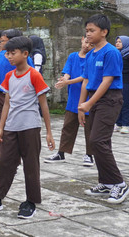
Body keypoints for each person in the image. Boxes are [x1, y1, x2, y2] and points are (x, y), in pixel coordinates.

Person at [0, 36, 54, 219]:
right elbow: (6, 104)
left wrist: (49, 132)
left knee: (31, 165)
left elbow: (43, 105)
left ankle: (30, 202)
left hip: (30, 127)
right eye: (7, 53)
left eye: (13, 53)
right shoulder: (9, 76)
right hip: (11, 127)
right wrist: (0, 127)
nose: (9, 57)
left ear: (25, 54)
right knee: (4, 163)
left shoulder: (34, 75)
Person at [78, 14, 128, 203]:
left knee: (98, 140)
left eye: (92, 31)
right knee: (98, 142)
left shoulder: (111, 52)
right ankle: (106, 182)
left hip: (109, 99)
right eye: (87, 31)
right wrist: (81, 106)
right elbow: (86, 80)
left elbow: (107, 81)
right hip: (93, 99)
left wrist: (89, 103)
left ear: (104, 32)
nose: (88, 34)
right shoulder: (91, 54)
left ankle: (119, 184)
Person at [0, 29, 33, 174]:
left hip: (18, 99)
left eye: (3, 41)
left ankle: (13, 162)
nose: (0, 43)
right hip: (0, 96)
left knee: (15, 131)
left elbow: (31, 79)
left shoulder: (26, 58)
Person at [45, 36, 94, 166]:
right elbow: (67, 71)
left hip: (88, 99)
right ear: (82, 40)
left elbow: (85, 77)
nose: (87, 45)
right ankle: (61, 153)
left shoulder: (92, 58)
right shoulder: (73, 56)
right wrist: (64, 80)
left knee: (89, 128)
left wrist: (67, 81)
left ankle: (90, 155)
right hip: (73, 99)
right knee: (68, 127)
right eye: (86, 42)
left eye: (90, 44)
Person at [114, 35, 129, 133]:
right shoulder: (115, 54)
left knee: (125, 103)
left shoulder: (127, 55)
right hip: (117, 82)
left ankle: (125, 124)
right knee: (117, 103)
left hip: (126, 82)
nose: (117, 43)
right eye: (117, 41)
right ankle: (118, 124)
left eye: (120, 41)